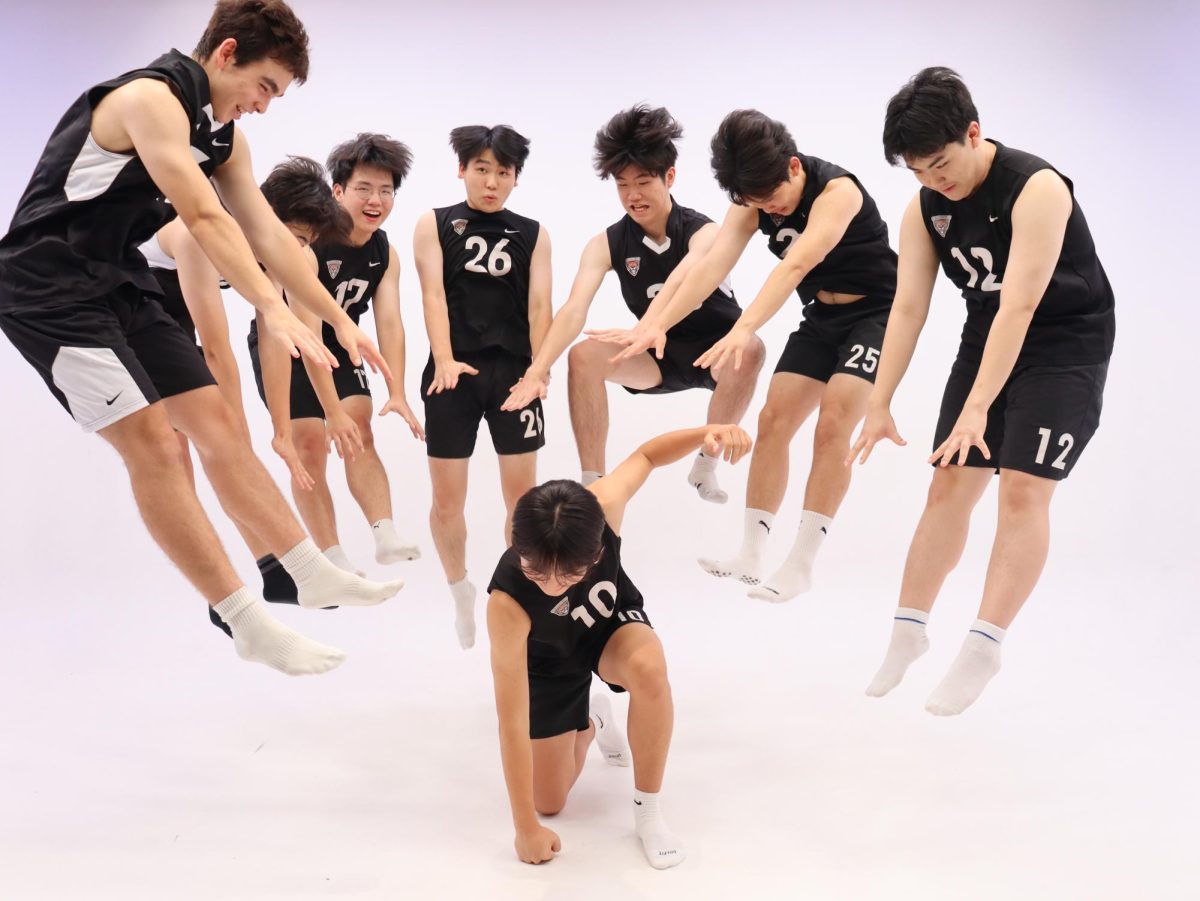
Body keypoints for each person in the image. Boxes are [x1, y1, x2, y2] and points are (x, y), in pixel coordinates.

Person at [0, 0, 404, 676]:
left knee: (217, 419)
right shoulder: (148, 100)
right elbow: (203, 215)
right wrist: (268, 310)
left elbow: (272, 234)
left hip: (116, 275)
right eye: (265, 86)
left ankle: (306, 569)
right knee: (157, 442)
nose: (265, 105)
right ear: (226, 53)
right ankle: (246, 620)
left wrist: (334, 318)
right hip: (47, 286)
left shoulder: (224, 138)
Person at [847, 67, 1115, 715]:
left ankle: (984, 645)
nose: (935, 180)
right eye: (917, 171)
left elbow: (1021, 307)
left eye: (941, 163)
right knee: (949, 480)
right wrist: (878, 400)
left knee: (1021, 486)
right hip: (986, 333)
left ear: (974, 132)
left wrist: (976, 411)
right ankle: (908, 632)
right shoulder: (925, 206)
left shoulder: (1037, 188)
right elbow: (908, 308)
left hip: (1064, 340)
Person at [598, 109, 897, 602]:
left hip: (878, 315)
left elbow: (795, 266)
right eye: (755, 203)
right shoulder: (751, 200)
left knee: (832, 422)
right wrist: (654, 325)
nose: (769, 212)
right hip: (822, 318)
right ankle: (752, 553)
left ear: (794, 168)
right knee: (774, 419)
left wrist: (743, 328)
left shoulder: (837, 192)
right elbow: (709, 267)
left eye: (773, 199)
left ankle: (800, 563)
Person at [486, 424, 753, 868]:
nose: (552, 586)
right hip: (549, 664)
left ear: (594, 552)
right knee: (549, 802)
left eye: (568, 575)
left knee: (650, 669)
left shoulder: (604, 505)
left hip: (607, 626)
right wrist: (525, 830)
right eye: (538, 573)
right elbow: (510, 720)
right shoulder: (507, 605)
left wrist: (711, 431)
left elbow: (647, 455)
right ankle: (590, 721)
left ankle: (648, 813)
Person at [502, 104, 763, 501]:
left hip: (716, 352)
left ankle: (704, 465)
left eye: (643, 182)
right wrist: (537, 370)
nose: (633, 195)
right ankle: (593, 484)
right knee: (583, 356)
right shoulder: (606, 244)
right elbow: (574, 310)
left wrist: (648, 325)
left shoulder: (703, 230)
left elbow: (685, 277)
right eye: (622, 185)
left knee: (752, 345)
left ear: (669, 177)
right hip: (655, 356)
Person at [140, 155, 346, 631]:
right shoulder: (199, 235)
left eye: (303, 243)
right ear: (260, 216)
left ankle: (274, 571)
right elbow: (215, 349)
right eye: (291, 237)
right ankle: (220, 594)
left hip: (172, 317)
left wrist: (279, 432)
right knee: (187, 451)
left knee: (224, 451)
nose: (294, 250)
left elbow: (275, 339)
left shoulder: (279, 257)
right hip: (134, 302)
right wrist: (237, 431)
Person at [249, 134, 424, 579]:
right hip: (288, 344)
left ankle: (384, 534)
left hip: (343, 345)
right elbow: (307, 332)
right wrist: (330, 411)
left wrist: (398, 391)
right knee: (310, 443)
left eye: (386, 191)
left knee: (359, 424)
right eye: (364, 188)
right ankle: (331, 556)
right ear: (338, 192)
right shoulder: (309, 243)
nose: (376, 200)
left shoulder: (385, 253)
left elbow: (390, 325)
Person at [413, 125, 551, 649]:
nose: (491, 182)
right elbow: (431, 296)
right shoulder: (434, 223)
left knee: (523, 502)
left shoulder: (534, 232)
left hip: (514, 376)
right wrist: (444, 360)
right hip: (453, 374)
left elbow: (541, 306)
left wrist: (539, 369)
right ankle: (459, 591)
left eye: (503, 173)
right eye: (481, 169)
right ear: (462, 169)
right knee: (448, 501)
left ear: (516, 178)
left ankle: (519, 596)